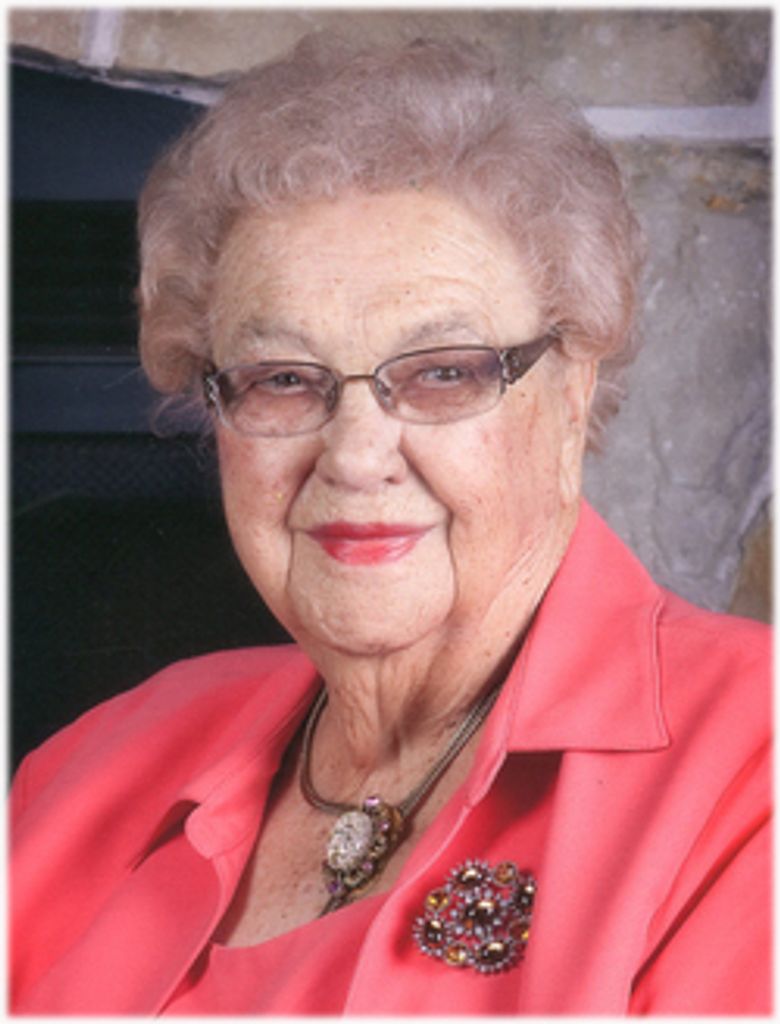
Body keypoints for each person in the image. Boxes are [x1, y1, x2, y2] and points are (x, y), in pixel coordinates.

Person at [10, 35, 770, 1015]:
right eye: (284, 379)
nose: (356, 454)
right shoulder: (96, 764)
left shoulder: (751, 762)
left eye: (444, 371)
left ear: (573, 394)